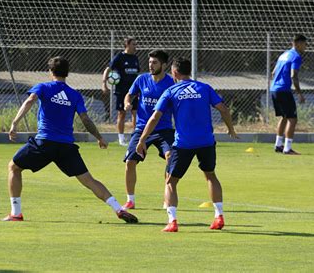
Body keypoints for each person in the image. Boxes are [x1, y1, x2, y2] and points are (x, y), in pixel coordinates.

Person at [3, 56, 138, 224]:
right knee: (89, 181)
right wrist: (100, 137)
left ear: (51, 72)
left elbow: (30, 100)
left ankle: (16, 213)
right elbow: (86, 119)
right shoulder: (74, 95)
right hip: (66, 146)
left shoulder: (43, 87)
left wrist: (15, 123)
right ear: (67, 73)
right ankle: (118, 208)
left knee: (14, 167)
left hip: (44, 143)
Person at [136, 57, 239, 232]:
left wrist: (142, 139)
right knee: (210, 176)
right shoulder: (204, 88)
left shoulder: (171, 91)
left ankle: (172, 221)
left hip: (183, 143)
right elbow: (223, 108)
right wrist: (231, 129)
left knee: (170, 181)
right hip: (206, 141)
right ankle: (219, 216)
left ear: (174, 72)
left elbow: (155, 117)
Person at [122, 50, 175, 210]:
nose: (151, 65)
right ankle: (130, 200)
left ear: (164, 65)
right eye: (150, 62)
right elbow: (129, 95)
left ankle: (167, 198)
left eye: (155, 63)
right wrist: (127, 103)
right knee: (130, 162)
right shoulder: (141, 79)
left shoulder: (171, 83)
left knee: (171, 158)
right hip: (141, 129)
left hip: (164, 130)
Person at [270, 34, 307, 155]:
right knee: (292, 119)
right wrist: (300, 93)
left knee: (284, 117)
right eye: (304, 44)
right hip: (284, 90)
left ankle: (278, 145)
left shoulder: (283, 55)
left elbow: (273, 73)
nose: (305, 47)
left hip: (274, 89)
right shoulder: (296, 56)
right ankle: (287, 148)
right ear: (298, 43)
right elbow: (293, 76)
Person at [102, 37, 140, 146]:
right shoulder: (119, 57)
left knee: (135, 113)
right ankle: (121, 139)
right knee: (122, 113)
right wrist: (104, 84)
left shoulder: (135, 58)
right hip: (121, 91)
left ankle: (135, 137)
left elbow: (136, 74)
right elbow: (107, 69)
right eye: (133, 44)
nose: (135, 46)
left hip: (134, 91)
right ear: (127, 45)